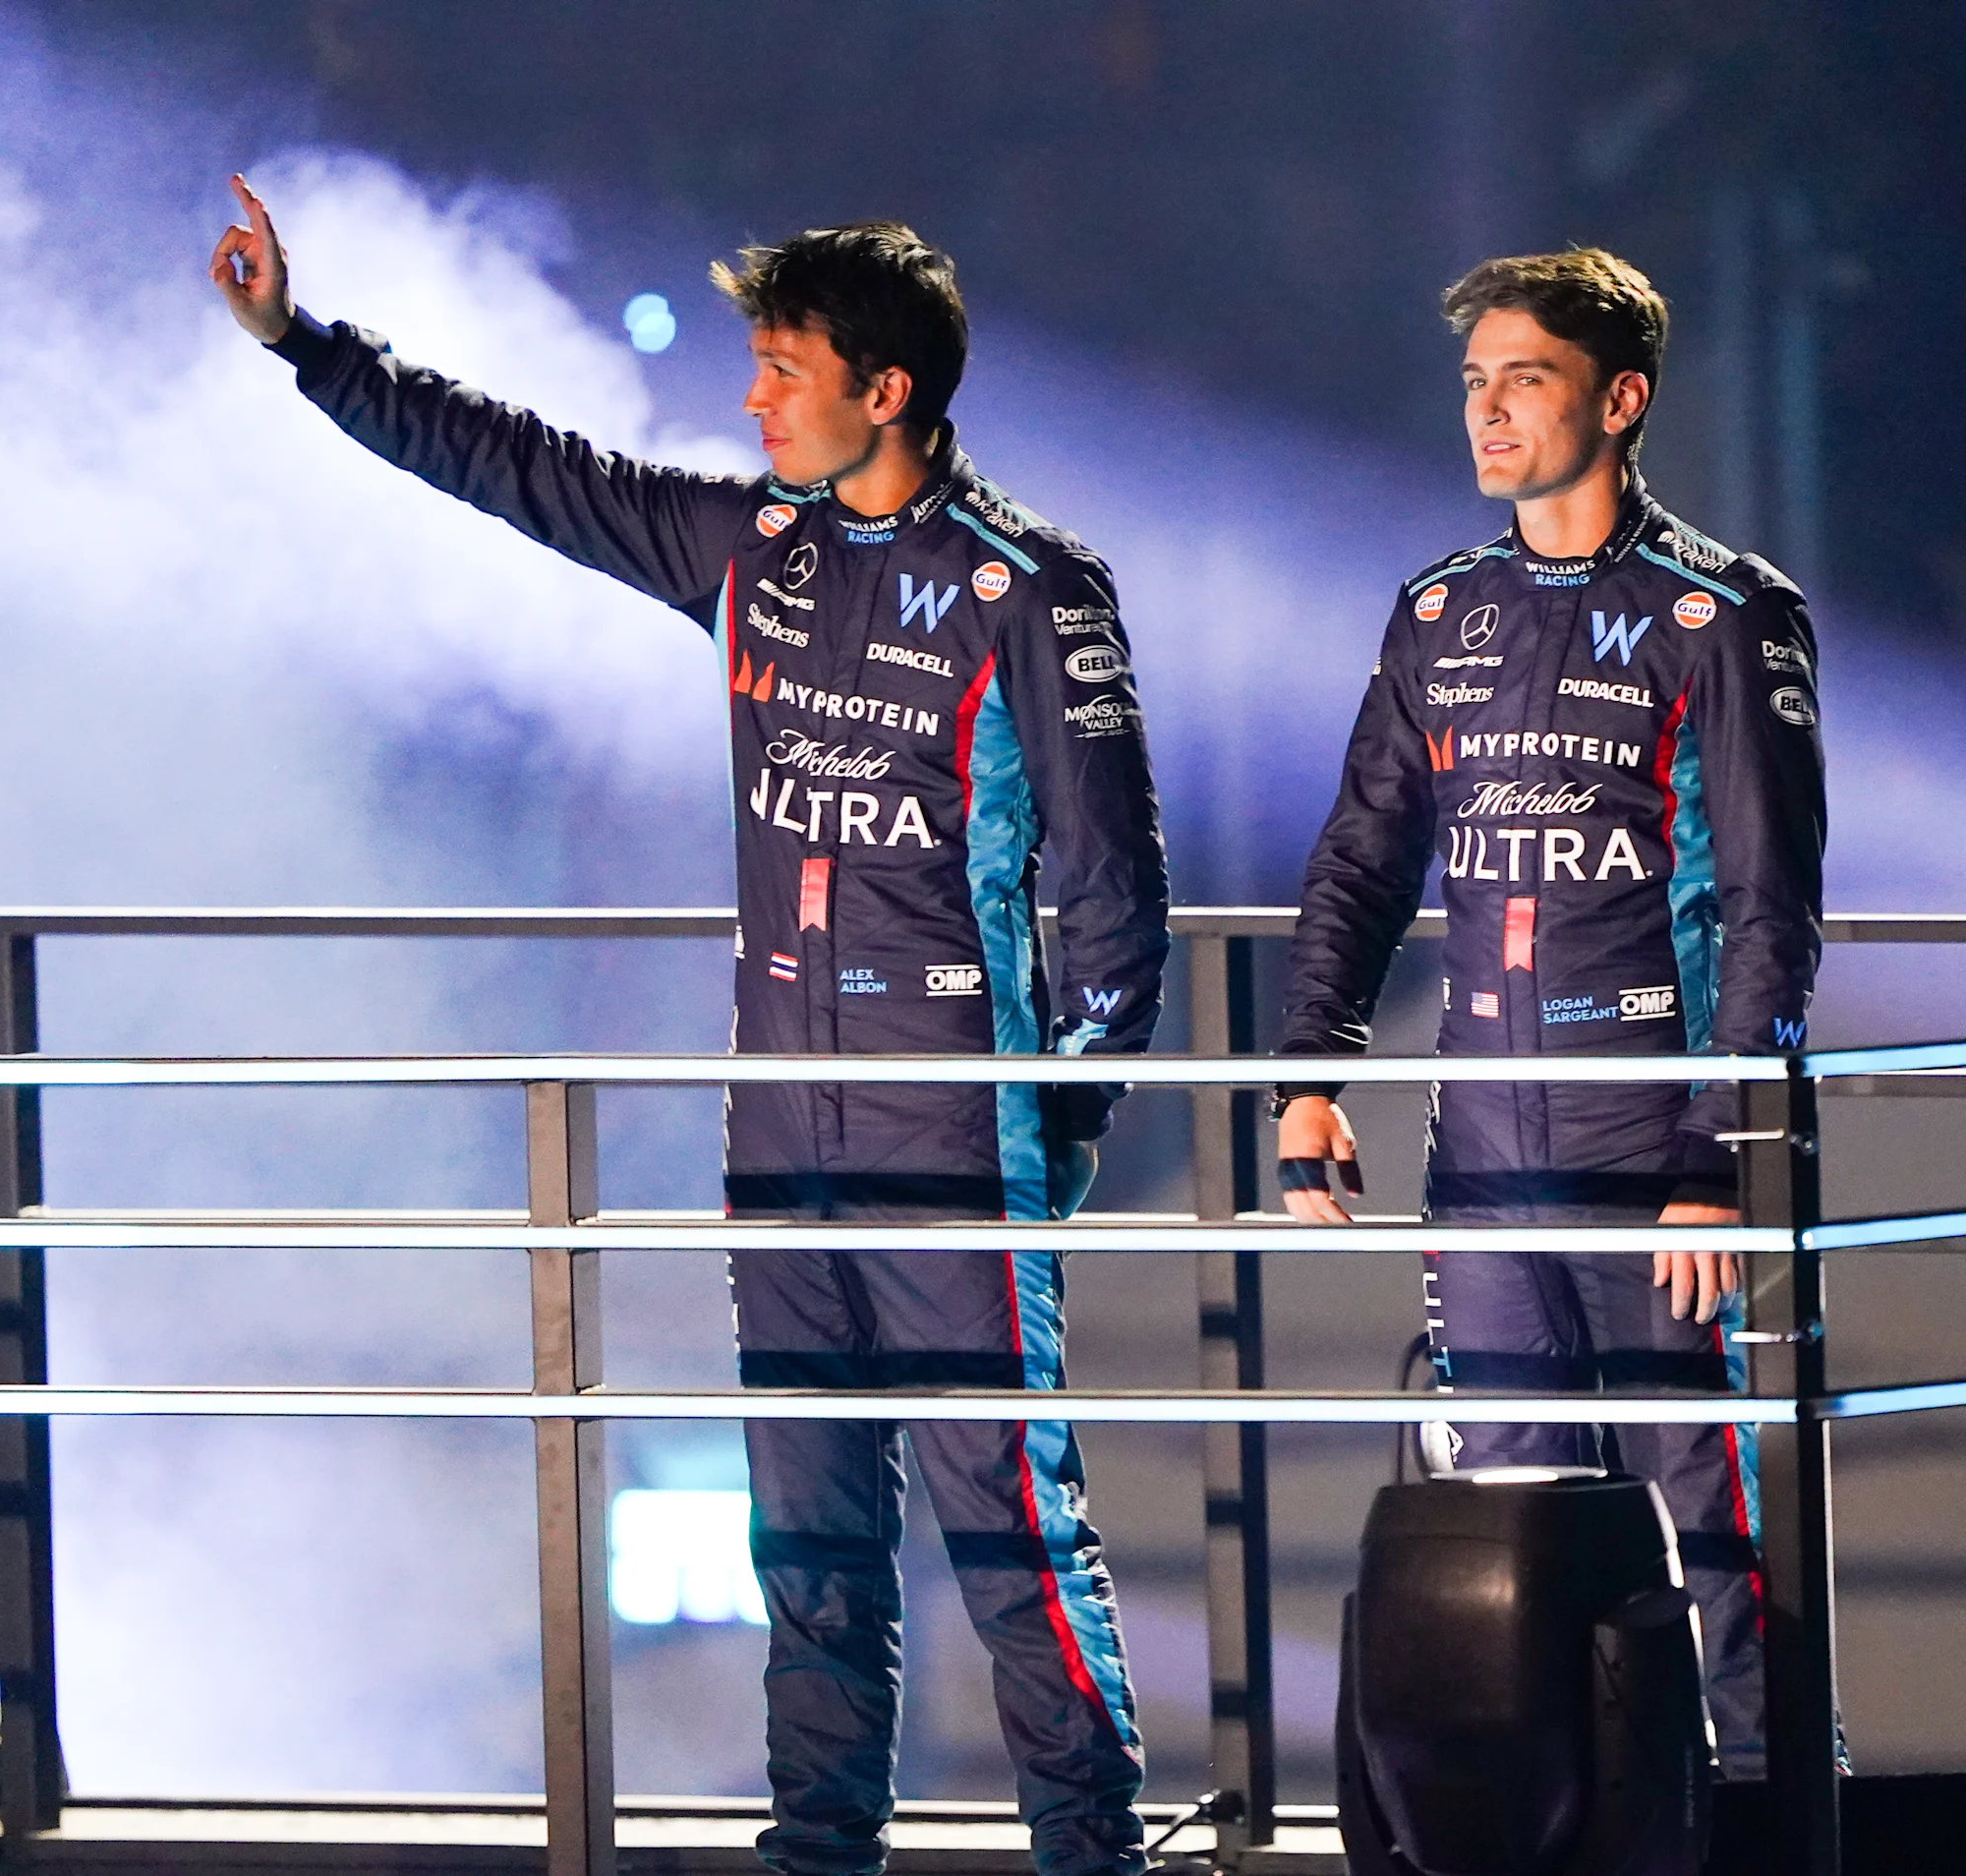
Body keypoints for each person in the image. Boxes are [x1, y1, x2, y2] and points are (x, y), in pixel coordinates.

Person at [210, 180, 1162, 1876]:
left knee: (1012, 1535)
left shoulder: (1036, 592)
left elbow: (1115, 900)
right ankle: (818, 1858)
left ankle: (1094, 1854)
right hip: (779, 1133)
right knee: (802, 1545)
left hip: (960, 1136)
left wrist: (1061, 1132)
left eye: (780, 368)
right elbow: (530, 472)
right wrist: (308, 346)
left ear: (886, 390)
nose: (750, 398)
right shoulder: (753, 551)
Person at [1268, 248, 1824, 1789]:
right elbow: (1362, 860)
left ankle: (1769, 1826)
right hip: (1487, 1155)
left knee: (1700, 1525)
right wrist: (1310, 1079)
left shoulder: (1726, 616)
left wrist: (1721, 1152)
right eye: (1476, 381)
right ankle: (1548, 1832)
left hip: (1662, 1154)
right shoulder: (1436, 611)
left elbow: (1772, 914)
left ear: (1619, 399)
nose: (1491, 410)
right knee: (1506, 1530)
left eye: (1528, 378)